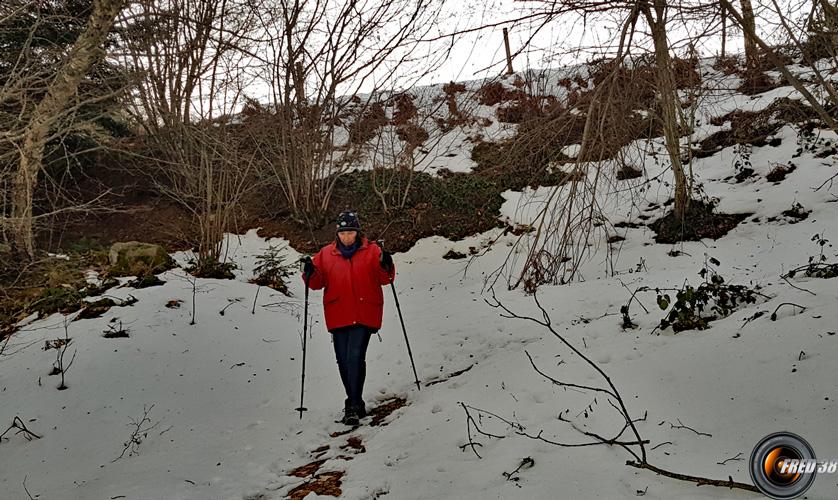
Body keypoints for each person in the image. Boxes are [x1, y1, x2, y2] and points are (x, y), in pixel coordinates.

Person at [301, 211, 395, 425]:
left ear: (357, 232)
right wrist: (309, 271)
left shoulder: (372, 251)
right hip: (338, 313)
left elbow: (385, 278)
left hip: (364, 312)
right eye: (343, 232)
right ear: (337, 233)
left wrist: (386, 263)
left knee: (354, 356)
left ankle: (352, 404)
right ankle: (355, 403)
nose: (346, 236)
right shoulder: (325, 254)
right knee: (343, 360)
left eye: (350, 232)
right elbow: (316, 283)